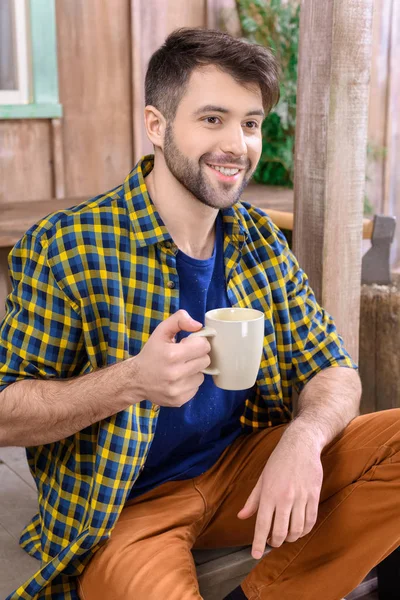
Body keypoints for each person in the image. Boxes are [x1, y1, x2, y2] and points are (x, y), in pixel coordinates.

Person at [0, 27, 399, 600]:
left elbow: (332, 367)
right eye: (213, 119)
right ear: (157, 126)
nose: (237, 142)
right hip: (125, 504)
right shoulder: (67, 245)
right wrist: (132, 381)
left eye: (251, 122)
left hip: (243, 471)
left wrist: (304, 439)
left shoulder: (258, 237)